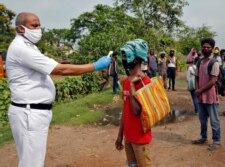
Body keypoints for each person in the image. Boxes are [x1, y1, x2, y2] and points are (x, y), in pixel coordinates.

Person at [6, 12, 112, 167]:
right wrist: (94, 66)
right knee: (31, 163)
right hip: (29, 112)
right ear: (21, 29)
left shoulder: (29, 47)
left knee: (32, 160)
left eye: (39, 25)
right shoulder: (21, 48)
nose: (39, 29)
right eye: (34, 25)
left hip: (33, 112)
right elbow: (61, 70)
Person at [115, 39, 152, 167]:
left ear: (136, 59)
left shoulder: (145, 82)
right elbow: (125, 110)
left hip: (140, 139)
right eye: (123, 56)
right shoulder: (125, 81)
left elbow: (136, 111)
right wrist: (120, 135)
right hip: (128, 137)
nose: (124, 59)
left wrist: (132, 86)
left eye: (126, 56)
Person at [192, 38, 221, 151]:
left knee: (214, 120)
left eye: (208, 47)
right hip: (201, 97)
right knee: (202, 119)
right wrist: (197, 90)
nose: (206, 49)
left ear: (212, 49)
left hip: (210, 96)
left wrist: (200, 90)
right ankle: (203, 137)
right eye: (204, 47)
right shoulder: (199, 62)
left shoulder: (214, 63)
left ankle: (217, 141)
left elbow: (213, 81)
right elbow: (197, 77)